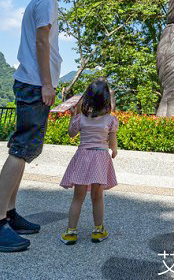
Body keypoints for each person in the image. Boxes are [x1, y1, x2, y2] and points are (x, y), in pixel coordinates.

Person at [0, 0, 86, 252]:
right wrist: (47, 84)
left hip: (35, 82)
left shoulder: (44, 1)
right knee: (22, 149)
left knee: (26, 150)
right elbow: (41, 42)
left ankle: (9, 214)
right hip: (35, 84)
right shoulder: (47, 0)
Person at [59, 78, 119, 245]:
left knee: (78, 197)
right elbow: (112, 141)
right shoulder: (110, 120)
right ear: (107, 99)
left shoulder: (81, 119)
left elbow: (71, 134)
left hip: (83, 157)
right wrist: (113, 151)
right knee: (97, 196)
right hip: (100, 158)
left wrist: (74, 115)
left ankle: (71, 232)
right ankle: (98, 230)